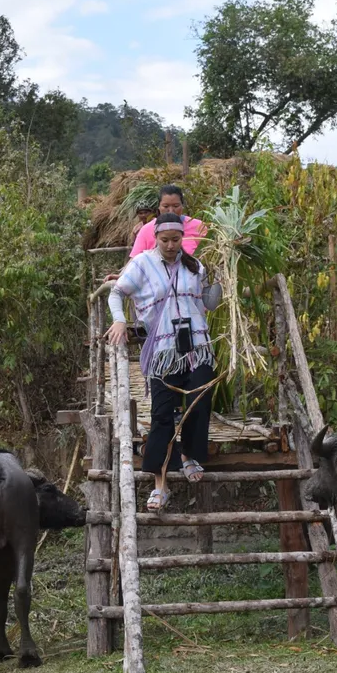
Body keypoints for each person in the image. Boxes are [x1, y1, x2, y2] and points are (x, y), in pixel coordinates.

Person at [106, 209, 222, 512]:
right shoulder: (142, 264)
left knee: (199, 400)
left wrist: (220, 276)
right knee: (161, 416)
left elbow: (209, 303)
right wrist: (120, 321)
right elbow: (116, 293)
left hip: (197, 347)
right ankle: (160, 484)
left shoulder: (195, 266)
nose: (170, 245)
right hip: (162, 354)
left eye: (175, 239)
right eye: (164, 239)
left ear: (183, 238)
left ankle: (188, 456)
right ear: (155, 237)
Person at [103, 185, 206, 282]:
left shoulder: (198, 226)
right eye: (166, 206)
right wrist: (122, 276)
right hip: (155, 289)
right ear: (159, 207)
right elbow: (136, 259)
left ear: (182, 205)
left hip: (193, 286)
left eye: (176, 206)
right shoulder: (146, 230)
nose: (171, 210)